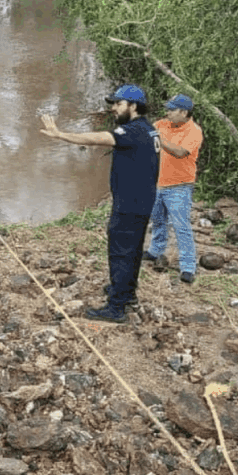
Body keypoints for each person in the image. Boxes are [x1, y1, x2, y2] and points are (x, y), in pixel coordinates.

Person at [40, 84, 160, 323]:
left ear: (133, 106)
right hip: (142, 201)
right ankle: (127, 294)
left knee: (121, 253)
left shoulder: (134, 131)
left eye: (118, 104)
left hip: (129, 204)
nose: (113, 109)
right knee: (133, 251)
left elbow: (101, 138)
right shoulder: (149, 129)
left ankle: (116, 307)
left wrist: (61, 135)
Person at [144, 94, 204, 283]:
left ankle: (188, 266)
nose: (167, 113)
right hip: (157, 183)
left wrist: (158, 138)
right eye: (167, 109)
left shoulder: (194, 131)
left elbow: (179, 152)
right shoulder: (161, 124)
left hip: (179, 186)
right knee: (158, 220)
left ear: (184, 112)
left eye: (171, 109)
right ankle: (155, 251)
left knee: (181, 226)